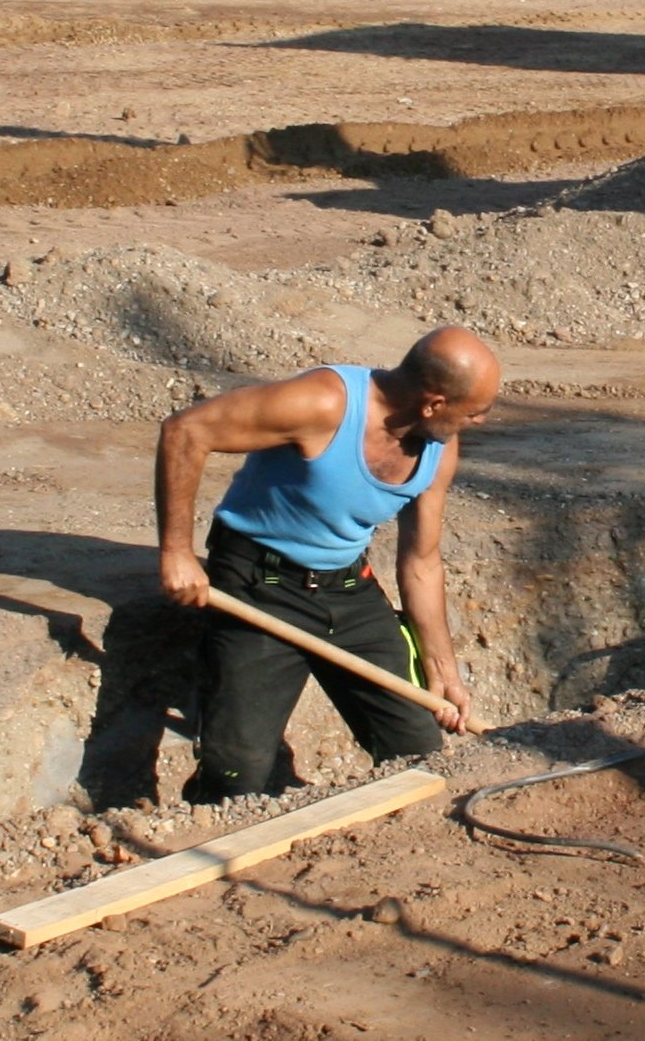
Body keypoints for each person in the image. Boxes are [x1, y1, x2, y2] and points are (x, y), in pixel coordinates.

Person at [155, 327, 501, 802]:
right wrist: (176, 552)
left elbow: (421, 561)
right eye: (475, 411)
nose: (481, 420)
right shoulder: (323, 405)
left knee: (419, 755)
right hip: (261, 582)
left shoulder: (440, 447)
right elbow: (186, 430)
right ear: (433, 404)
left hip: (346, 588)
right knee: (238, 775)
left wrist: (443, 669)